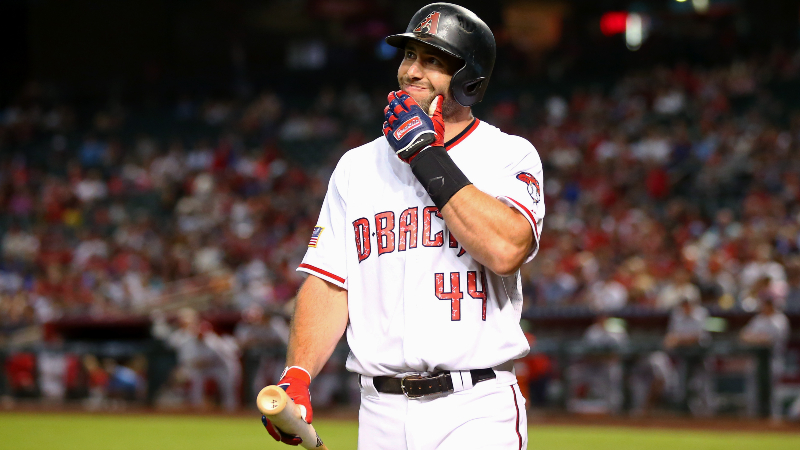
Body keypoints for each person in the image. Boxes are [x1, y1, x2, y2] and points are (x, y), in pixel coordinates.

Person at [262, 3, 544, 449]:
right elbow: (331, 282)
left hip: (475, 408)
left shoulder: (508, 154)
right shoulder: (356, 166)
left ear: (469, 77)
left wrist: (425, 154)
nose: (412, 71)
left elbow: (506, 250)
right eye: (409, 56)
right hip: (380, 410)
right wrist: (297, 375)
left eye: (433, 61)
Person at [739, 297, 790, 419]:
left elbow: (770, 339)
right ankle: (754, 417)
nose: (764, 308)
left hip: (773, 359)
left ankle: (774, 418)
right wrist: (758, 338)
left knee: (772, 391)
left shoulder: (779, 319)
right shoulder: (758, 319)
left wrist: (755, 338)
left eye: (767, 305)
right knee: (754, 389)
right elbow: (743, 335)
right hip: (757, 359)